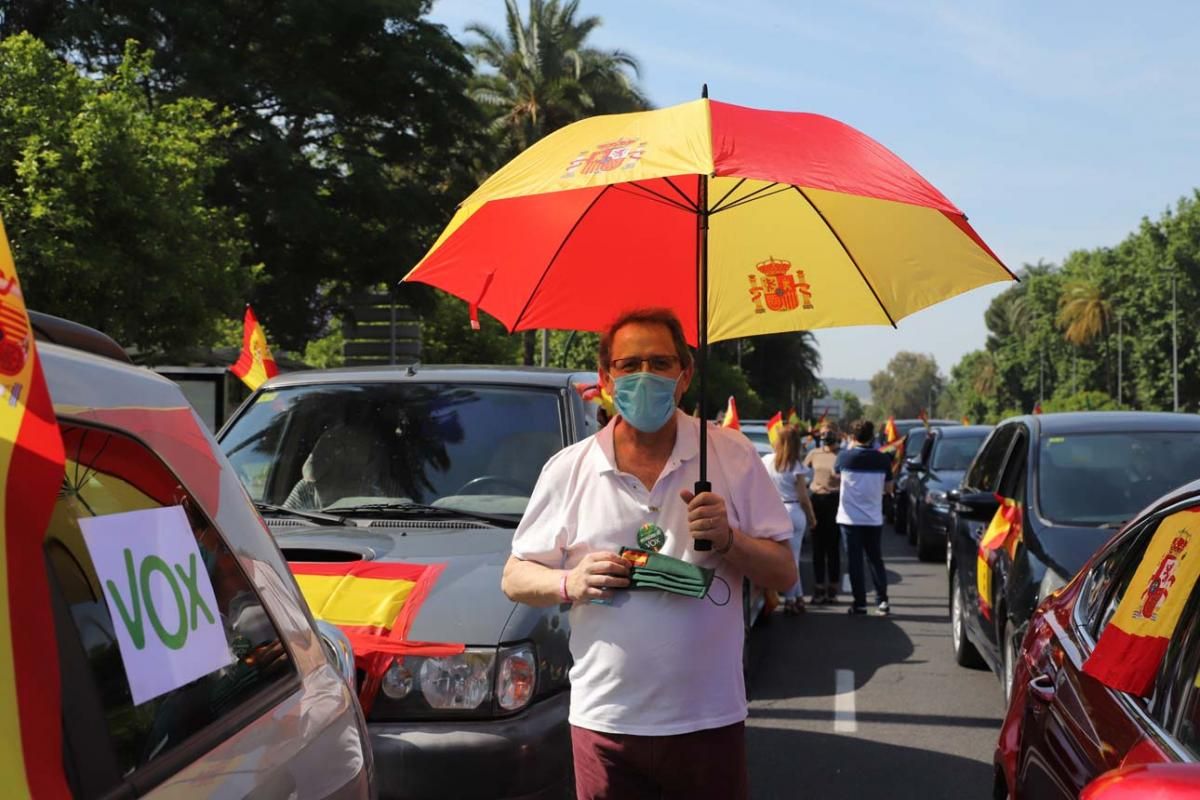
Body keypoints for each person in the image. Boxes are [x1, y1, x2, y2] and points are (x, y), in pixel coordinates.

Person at [500, 308, 797, 800]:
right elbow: (514, 576)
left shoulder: (732, 455)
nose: (645, 377)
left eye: (660, 363)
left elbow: (784, 574)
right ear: (606, 378)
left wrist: (729, 540)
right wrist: (569, 581)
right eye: (629, 364)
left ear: (685, 377)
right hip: (606, 723)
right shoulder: (569, 469)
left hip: (708, 720)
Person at [834, 419, 894, 616]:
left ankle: (860, 603)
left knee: (855, 562)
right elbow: (889, 488)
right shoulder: (884, 460)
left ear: (852, 437)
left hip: (849, 520)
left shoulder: (844, 458)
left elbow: (836, 476)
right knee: (875, 559)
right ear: (872, 437)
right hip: (873, 519)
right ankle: (882, 601)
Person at [762, 424, 817, 614]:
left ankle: (798, 597)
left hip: (774, 511)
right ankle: (791, 600)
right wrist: (811, 517)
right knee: (793, 559)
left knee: (787, 558)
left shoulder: (767, 460)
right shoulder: (796, 466)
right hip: (794, 511)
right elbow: (803, 497)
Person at [803, 424, 843, 604]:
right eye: (824, 433)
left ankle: (833, 588)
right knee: (817, 547)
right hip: (816, 501)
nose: (826, 435)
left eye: (830, 433)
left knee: (832, 547)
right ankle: (819, 587)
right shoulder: (814, 454)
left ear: (837, 435)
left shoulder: (841, 455)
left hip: (834, 500)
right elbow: (801, 473)